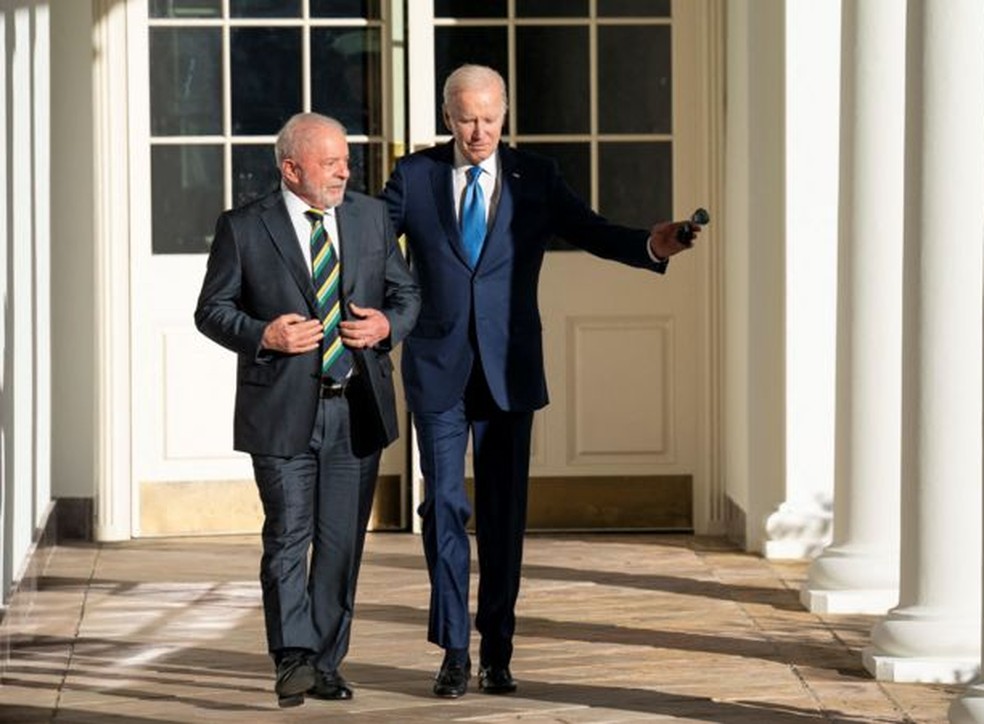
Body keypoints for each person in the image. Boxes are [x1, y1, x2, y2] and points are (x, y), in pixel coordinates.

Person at [380, 64, 701, 698]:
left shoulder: (536, 177)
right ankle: (451, 650)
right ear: (448, 117)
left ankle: (496, 651)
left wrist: (651, 247)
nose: (479, 132)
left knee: (503, 516)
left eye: (490, 119)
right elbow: (371, 244)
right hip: (438, 369)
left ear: (505, 115)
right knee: (442, 505)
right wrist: (391, 305)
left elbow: (591, 230)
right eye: (467, 118)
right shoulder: (414, 177)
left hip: (509, 371)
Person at [195, 112, 420, 708]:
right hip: (282, 412)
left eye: (346, 160)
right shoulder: (244, 228)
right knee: (288, 537)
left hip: (356, 409)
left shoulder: (371, 217)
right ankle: (292, 656)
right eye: (331, 162)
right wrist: (263, 334)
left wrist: (387, 324)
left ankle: (324, 663)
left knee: (341, 545)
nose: (345, 170)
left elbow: (406, 292)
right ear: (292, 168)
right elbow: (211, 309)